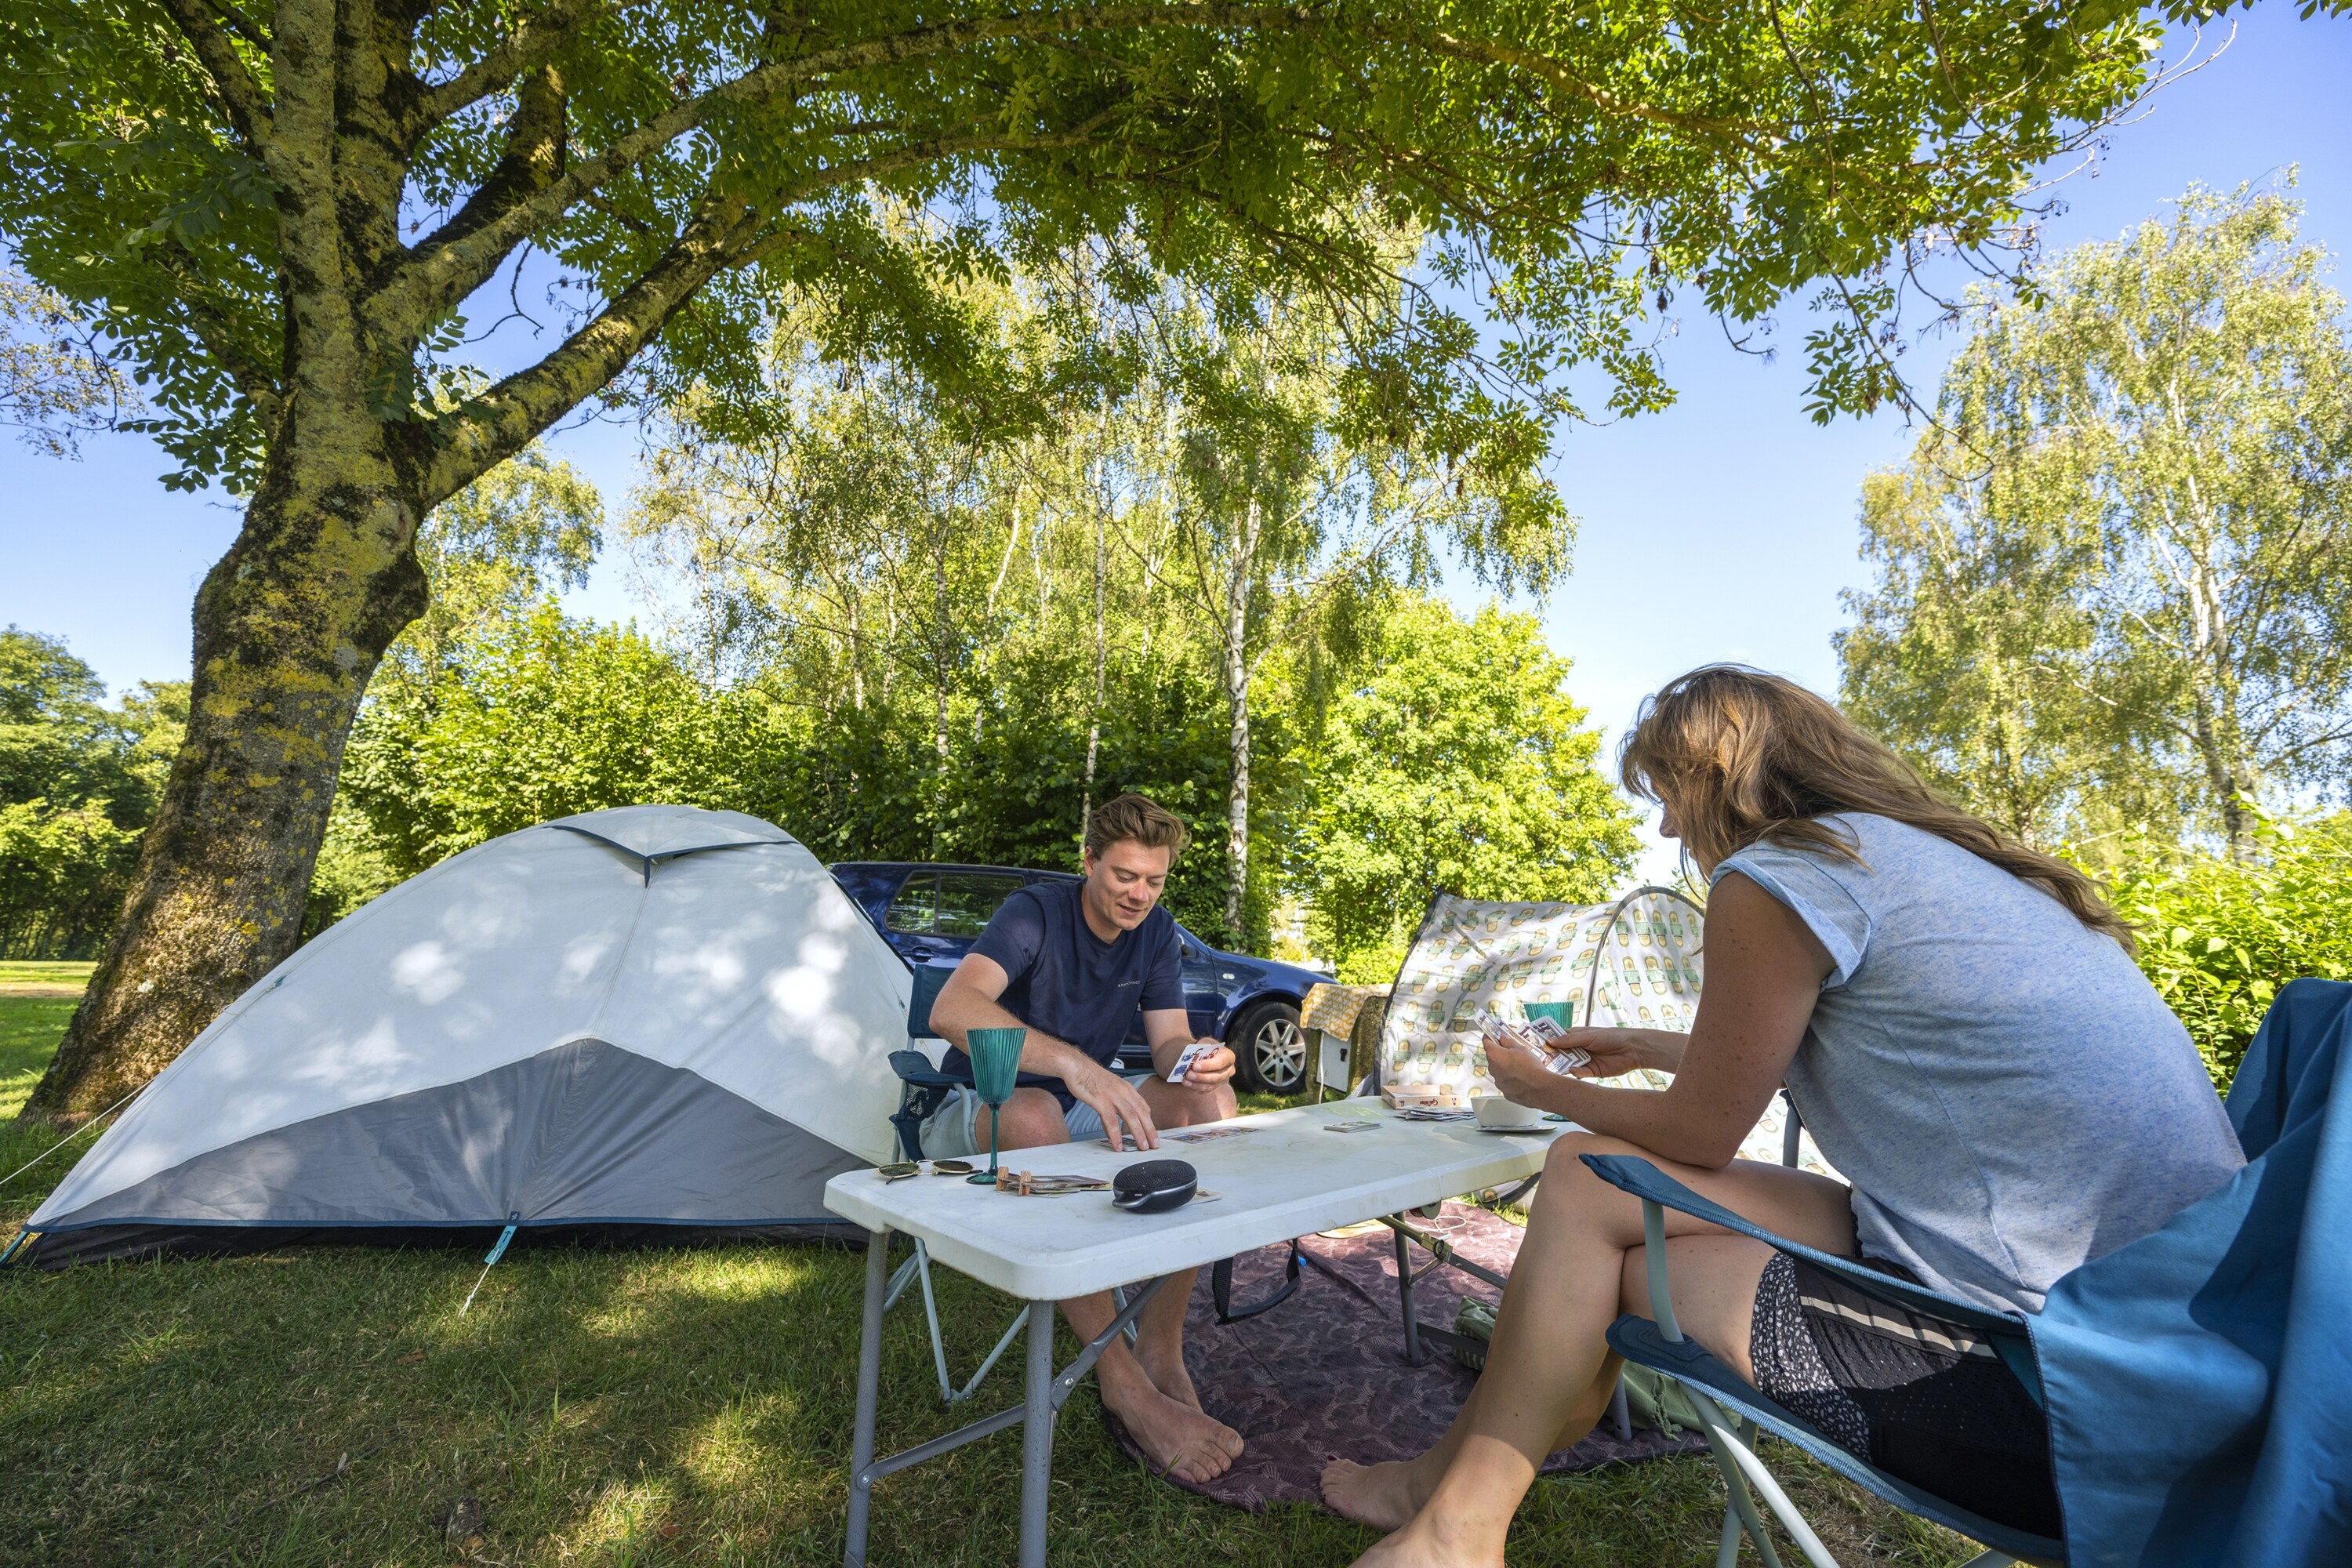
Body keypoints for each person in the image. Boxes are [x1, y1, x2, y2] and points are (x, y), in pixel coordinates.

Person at [1321, 665, 2245, 1566]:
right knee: (1592, 1188)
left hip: (2051, 1395)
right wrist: (1647, 1045)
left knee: (1594, 1188)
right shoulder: (1925, 865)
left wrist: (1545, 1088)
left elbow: (1700, 1134)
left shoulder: (1781, 873)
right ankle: (1467, 1474)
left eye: (1664, 790)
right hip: (2194, 1347)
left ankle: (1464, 1511)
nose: (1663, 821)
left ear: (1712, 775)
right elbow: (1858, 1048)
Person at [926, 791, 1247, 1483]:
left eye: (1154, 881)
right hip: (982, 1108)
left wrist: (1200, 1057)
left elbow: (1167, 1048)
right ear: (1089, 862)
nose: (1139, 895)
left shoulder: (1155, 932)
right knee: (1038, 1113)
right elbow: (952, 1010)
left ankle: (1162, 1347)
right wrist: (1076, 1064)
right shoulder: (1035, 914)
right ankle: (1121, 1381)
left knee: (1211, 1101)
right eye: (1124, 876)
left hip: (1079, 1106)